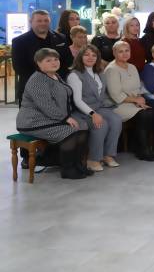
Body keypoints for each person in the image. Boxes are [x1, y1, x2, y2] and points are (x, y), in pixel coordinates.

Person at [16, 48, 92, 179]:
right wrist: (65, 118)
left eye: (56, 59)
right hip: (33, 121)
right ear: (38, 63)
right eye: (48, 60)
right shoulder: (37, 80)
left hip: (50, 119)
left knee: (82, 130)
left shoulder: (55, 75)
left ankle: (78, 165)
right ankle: (67, 169)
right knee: (71, 132)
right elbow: (46, 105)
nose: (54, 62)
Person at [67, 44, 123, 172]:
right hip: (81, 110)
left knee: (116, 120)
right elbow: (77, 101)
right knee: (101, 124)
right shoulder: (74, 75)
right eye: (86, 54)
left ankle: (108, 155)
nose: (90, 57)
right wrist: (93, 114)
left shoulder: (99, 72)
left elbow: (102, 94)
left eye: (94, 55)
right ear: (80, 57)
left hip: (99, 106)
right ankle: (93, 159)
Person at [104, 41, 154, 161]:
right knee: (145, 114)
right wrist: (136, 100)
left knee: (153, 110)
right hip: (117, 105)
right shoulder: (111, 69)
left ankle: (139, 146)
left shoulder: (132, 67)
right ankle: (143, 150)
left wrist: (140, 99)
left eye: (127, 51)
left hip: (133, 102)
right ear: (114, 53)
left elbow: (137, 88)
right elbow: (116, 95)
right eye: (120, 51)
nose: (124, 54)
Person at [12, 10, 72, 105]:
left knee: (59, 113)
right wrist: (44, 81)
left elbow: (68, 61)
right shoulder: (19, 41)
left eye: (46, 20)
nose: (43, 23)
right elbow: (20, 68)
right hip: (31, 89)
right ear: (31, 22)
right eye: (39, 21)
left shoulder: (61, 38)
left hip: (58, 88)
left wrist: (55, 80)